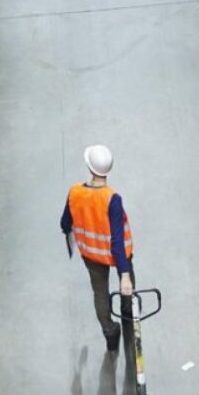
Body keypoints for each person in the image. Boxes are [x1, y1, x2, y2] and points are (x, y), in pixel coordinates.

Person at [60, 145, 135, 353]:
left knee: (100, 294)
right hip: (119, 256)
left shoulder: (75, 192)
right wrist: (124, 275)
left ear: (89, 167)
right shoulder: (112, 199)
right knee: (126, 286)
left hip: (92, 255)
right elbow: (117, 242)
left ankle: (110, 333)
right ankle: (127, 313)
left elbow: (65, 223)